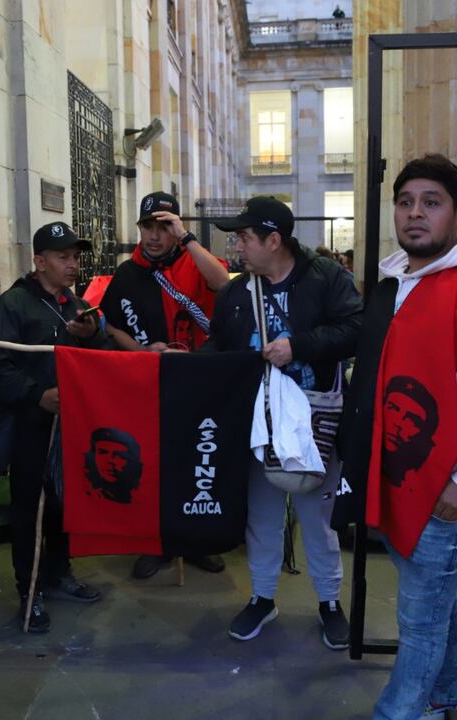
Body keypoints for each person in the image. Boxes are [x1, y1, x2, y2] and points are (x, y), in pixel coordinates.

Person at [203, 196, 362, 650]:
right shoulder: (236, 292)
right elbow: (220, 346)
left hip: (318, 421)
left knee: (319, 517)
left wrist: (301, 346)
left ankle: (330, 602)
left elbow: (357, 328)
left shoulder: (326, 278)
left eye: (245, 237)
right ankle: (262, 597)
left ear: (274, 240)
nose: (237, 246)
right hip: (260, 423)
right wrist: (186, 364)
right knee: (263, 516)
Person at [338, 154, 457, 719]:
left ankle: (402, 712)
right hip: (396, 474)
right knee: (443, 611)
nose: (415, 214)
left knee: (422, 617)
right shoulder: (392, 283)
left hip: (442, 489)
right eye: (406, 202)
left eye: (431, 203)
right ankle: (441, 697)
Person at [0, 221, 112, 633]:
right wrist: (37, 394)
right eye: (63, 257)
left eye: (75, 257)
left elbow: (96, 357)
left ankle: (59, 574)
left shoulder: (75, 305)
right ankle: (30, 589)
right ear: (39, 261)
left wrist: (93, 336)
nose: (73, 265)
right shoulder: (12, 305)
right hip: (30, 427)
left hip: (71, 429)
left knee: (63, 503)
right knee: (29, 510)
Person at [100, 191, 231, 580]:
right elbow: (111, 324)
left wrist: (188, 239)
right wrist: (142, 350)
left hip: (199, 376)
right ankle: (156, 542)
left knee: (200, 459)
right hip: (150, 378)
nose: (155, 236)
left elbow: (223, 284)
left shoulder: (194, 260)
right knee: (154, 461)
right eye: (147, 227)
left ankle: (197, 541)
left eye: (164, 227)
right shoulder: (127, 273)